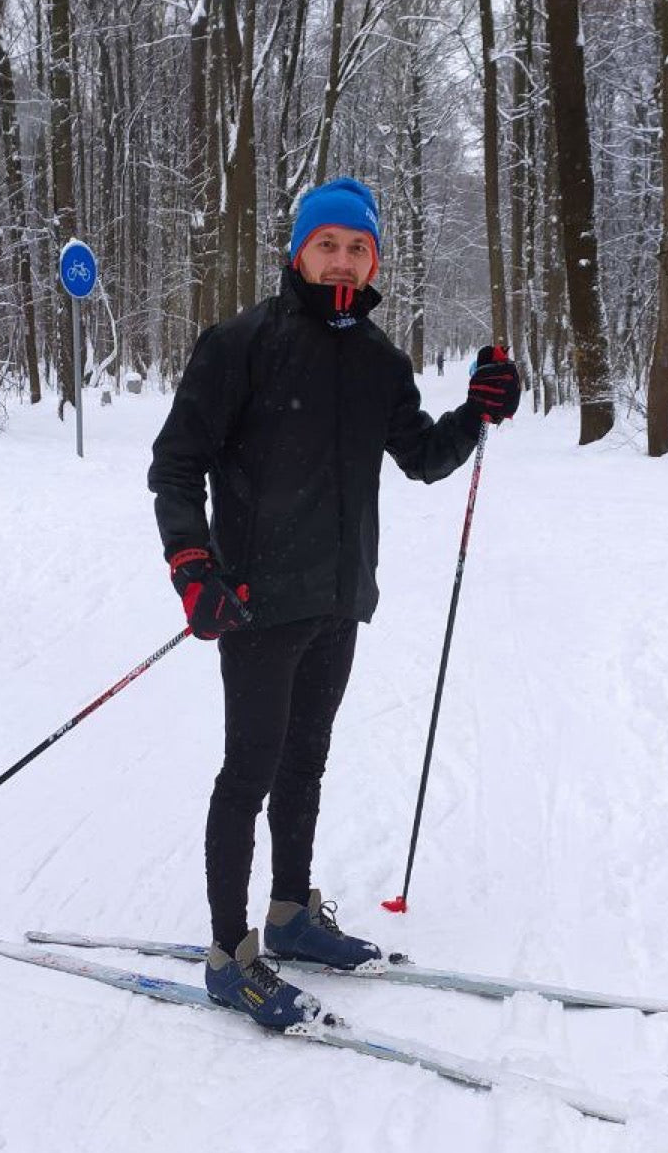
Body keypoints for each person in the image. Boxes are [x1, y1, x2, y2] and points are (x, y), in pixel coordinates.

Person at [148, 177, 521, 1029]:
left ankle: (290, 915)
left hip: (338, 600)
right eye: (329, 244)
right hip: (252, 604)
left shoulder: (381, 362)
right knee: (248, 774)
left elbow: (422, 457)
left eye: (359, 247)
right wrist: (194, 568)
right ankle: (227, 953)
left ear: (375, 258)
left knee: (304, 763)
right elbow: (175, 466)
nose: (344, 258)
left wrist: (477, 411)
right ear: (299, 251)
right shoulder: (240, 345)